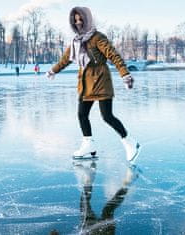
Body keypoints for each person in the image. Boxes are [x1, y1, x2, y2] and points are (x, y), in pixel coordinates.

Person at [46, 6, 140, 162]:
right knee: (82, 115)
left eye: (81, 19)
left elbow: (114, 56)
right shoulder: (76, 41)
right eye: (75, 20)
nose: (78, 23)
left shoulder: (98, 38)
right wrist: (53, 70)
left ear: (87, 19)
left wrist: (125, 74)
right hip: (85, 83)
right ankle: (88, 144)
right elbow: (65, 59)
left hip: (101, 81)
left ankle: (130, 142)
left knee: (107, 116)